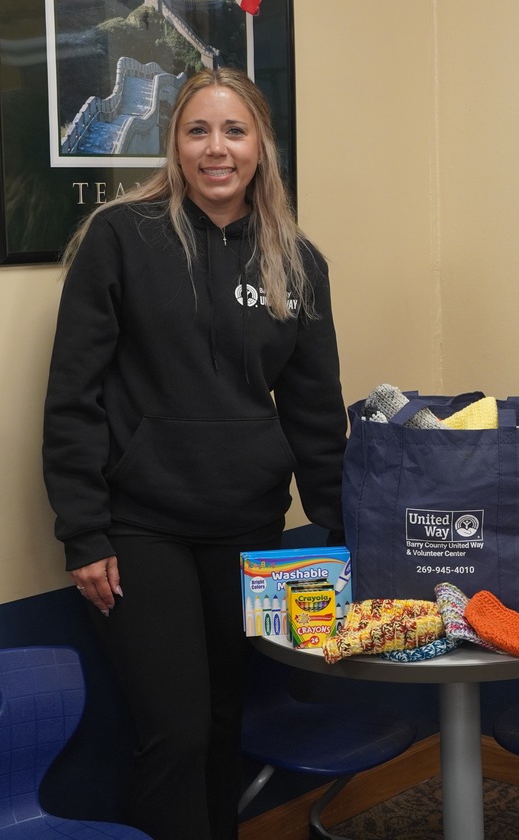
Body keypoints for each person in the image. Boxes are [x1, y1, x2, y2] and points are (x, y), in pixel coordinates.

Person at [42, 67, 347, 840]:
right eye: (198, 131)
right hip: (141, 528)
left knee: (220, 724)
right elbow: (72, 394)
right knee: (175, 734)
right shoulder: (121, 237)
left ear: (261, 147)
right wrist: (84, 528)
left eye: (234, 131)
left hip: (246, 525)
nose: (217, 149)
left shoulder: (297, 263)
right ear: (173, 144)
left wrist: (346, 532)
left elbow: (314, 414)